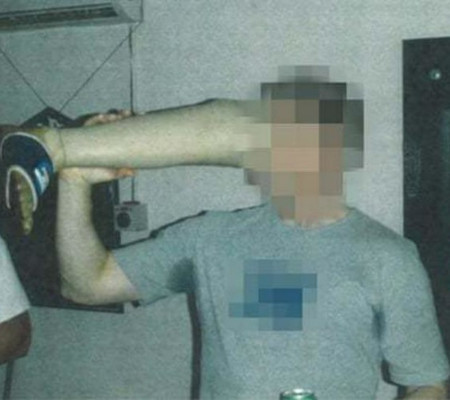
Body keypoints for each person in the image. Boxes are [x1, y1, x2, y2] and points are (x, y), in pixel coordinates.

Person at [1, 73, 449, 399]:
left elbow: (428, 383)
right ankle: (54, 150)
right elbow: (86, 285)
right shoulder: (211, 237)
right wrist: (76, 181)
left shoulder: (387, 256)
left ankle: (52, 146)